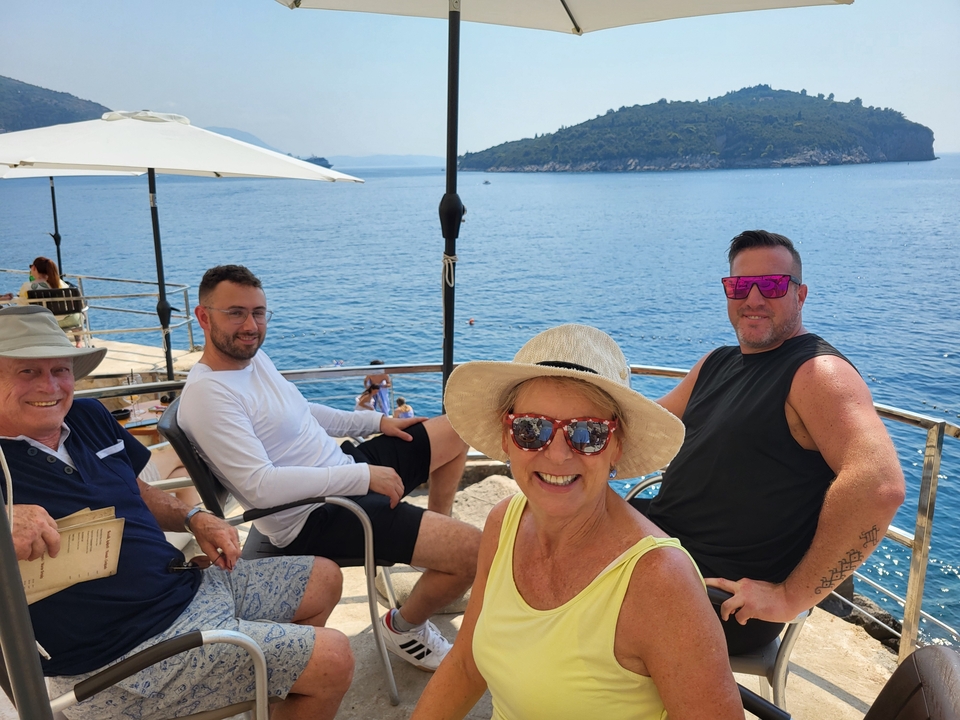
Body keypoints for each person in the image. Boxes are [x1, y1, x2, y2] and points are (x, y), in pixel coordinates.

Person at [0, 305, 353, 720]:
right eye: (27, 372)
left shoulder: (88, 417)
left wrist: (193, 518)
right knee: (334, 658)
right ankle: (280, 675)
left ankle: (268, 684)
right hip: (119, 659)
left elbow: (135, 488)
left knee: (324, 577)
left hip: (183, 587)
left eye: (60, 370)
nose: (51, 386)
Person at [411, 324, 743, 719]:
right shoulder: (505, 523)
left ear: (616, 446)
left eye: (587, 433)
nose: (556, 455)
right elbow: (466, 665)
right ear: (506, 435)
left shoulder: (659, 581)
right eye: (531, 429)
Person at [178, 265, 481, 672]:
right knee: (477, 554)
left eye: (259, 312)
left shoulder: (253, 360)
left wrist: (376, 422)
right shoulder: (208, 395)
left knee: (457, 429)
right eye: (236, 313)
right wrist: (363, 477)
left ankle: (433, 533)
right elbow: (262, 487)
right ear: (203, 316)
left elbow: (303, 412)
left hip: (343, 471)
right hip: (315, 516)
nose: (251, 325)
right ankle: (404, 626)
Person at [629, 230, 906, 654]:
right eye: (740, 285)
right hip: (664, 551)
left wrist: (790, 598)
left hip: (719, 597)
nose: (753, 298)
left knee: (549, 578)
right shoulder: (718, 362)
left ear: (801, 294)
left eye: (773, 285)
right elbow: (646, 427)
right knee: (530, 527)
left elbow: (879, 487)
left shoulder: (816, 373)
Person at [0, 257, 82, 329]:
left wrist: (10, 299)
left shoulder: (28, 286)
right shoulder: (60, 283)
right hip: (63, 319)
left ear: (34, 268)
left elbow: (23, 305)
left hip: (39, 321)